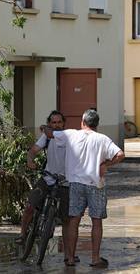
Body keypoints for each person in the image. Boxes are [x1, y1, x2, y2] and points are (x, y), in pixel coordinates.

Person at [43, 109, 124, 268]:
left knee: (74, 220)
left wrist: (45, 128)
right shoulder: (102, 139)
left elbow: (50, 134)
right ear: (97, 124)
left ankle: (71, 258)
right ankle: (95, 258)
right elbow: (120, 154)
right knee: (96, 221)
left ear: (83, 122)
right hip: (95, 184)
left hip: (75, 184)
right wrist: (105, 164)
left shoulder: (71, 134)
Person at [18, 110, 74, 263]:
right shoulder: (47, 138)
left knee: (67, 220)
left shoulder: (70, 138)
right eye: (53, 122)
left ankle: (68, 254)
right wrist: (30, 160)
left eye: (59, 122)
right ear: (50, 124)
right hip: (47, 178)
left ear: (64, 123)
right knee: (30, 205)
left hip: (65, 182)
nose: (56, 125)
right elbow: (33, 150)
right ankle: (23, 235)